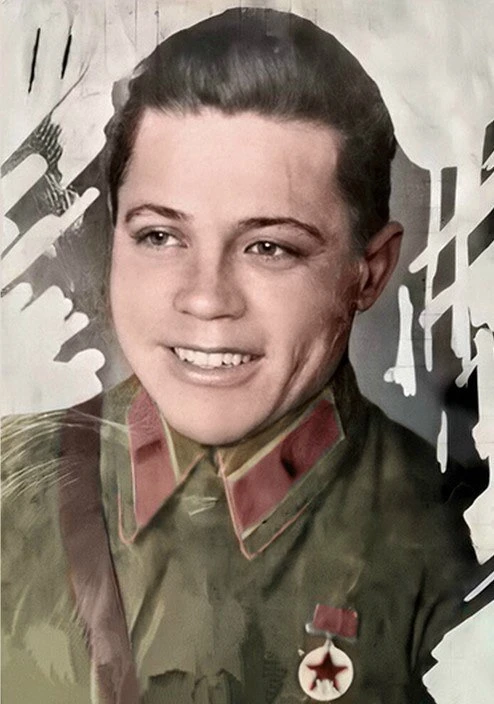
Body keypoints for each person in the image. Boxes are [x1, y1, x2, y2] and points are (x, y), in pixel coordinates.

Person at [1, 7, 481, 704]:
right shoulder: (11, 488)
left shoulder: (454, 540)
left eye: (269, 247)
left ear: (369, 273)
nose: (205, 299)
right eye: (160, 236)